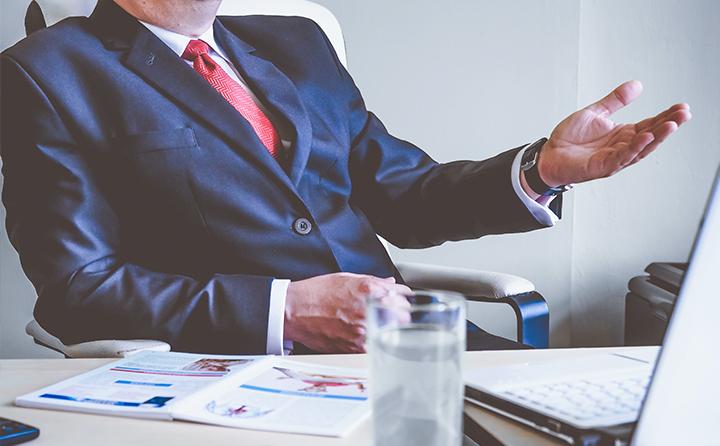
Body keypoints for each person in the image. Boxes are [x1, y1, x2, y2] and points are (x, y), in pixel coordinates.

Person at [0, 0, 690, 355]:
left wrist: (539, 169)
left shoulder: (295, 42)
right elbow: (78, 289)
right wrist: (287, 312)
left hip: (411, 347)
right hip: (240, 373)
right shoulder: (46, 72)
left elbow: (406, 197)